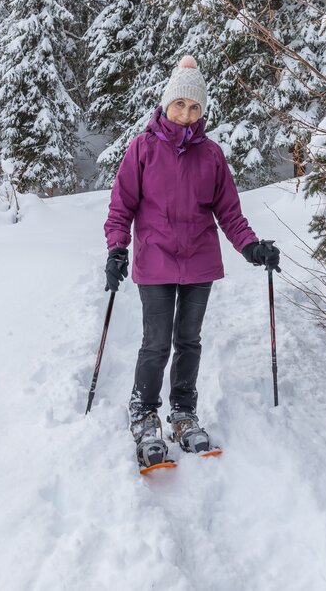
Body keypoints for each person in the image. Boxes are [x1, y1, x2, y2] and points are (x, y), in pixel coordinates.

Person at [102, 55, 281, 468]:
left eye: (194, 107)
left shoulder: (212, 155)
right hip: (155, 260)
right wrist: (116, 249)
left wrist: (251, 247)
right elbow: (121, 208)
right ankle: (144, 414)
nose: (185, 114)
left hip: (199, 262)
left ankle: (183, 413)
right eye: (180, 105)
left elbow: (230, 213)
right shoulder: (142, 148)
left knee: (189, 341)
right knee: (156, 342)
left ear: (202, 111)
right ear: (167, 104)